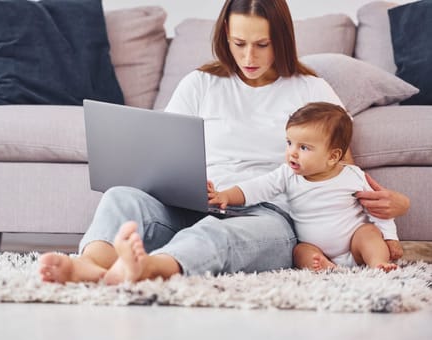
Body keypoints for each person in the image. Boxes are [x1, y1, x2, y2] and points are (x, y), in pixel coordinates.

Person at [39, 0, 408, 284]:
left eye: (262, 44)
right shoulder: (200, 83)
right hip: (192, 203)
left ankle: (149, 268)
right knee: (121, 197)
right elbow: (160, 151)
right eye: (239, 43)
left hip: (268, 216)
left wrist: (387, 206)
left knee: (215, 233)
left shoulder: (311, 90)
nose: (249, 57)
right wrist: (183, 185)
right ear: (225, 38)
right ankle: (90, 266)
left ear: (280, 39)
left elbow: (341, 170)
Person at [208, 102, 399, 272]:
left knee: (368, 233)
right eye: (289, 143)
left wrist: (390, 238)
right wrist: (225, 195)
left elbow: (378, 210)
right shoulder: (287, 174)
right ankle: (324, 266)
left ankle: (377, 263)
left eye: (304, 148)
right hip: (314, 247)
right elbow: (256, 188)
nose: (292, 153)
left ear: (332, 157)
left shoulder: (353, 176)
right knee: (299, 251)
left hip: (354, 245)